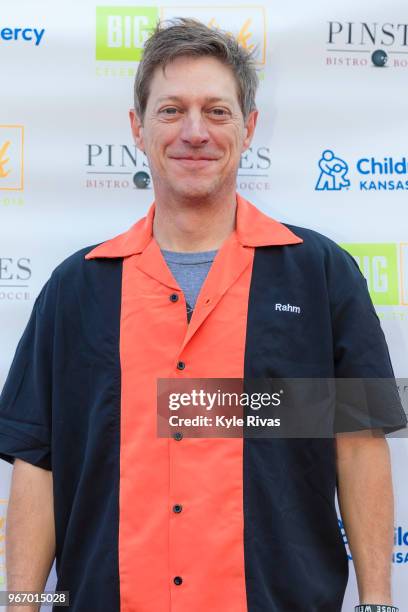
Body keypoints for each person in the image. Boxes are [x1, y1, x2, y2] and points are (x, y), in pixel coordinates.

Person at [0, 18, 406, 612]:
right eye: (171, 111)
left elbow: (359, 443)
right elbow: (39, 462)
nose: (195, 132)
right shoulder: (75, 288)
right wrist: (22, 605)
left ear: (250, 128)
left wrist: (376, 602)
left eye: (217, 111)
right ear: (137, 128)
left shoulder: (321, 275)